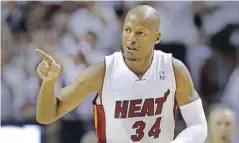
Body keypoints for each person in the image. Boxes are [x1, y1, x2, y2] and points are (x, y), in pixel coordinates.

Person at [35, 5, 207, 143]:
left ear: (157, 37)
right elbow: (46, 116)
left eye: (140, 33)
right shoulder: (102, 71)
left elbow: (198, 125)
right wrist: (49, 83)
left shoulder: (174, 69)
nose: (131, 38)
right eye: (127, 30)